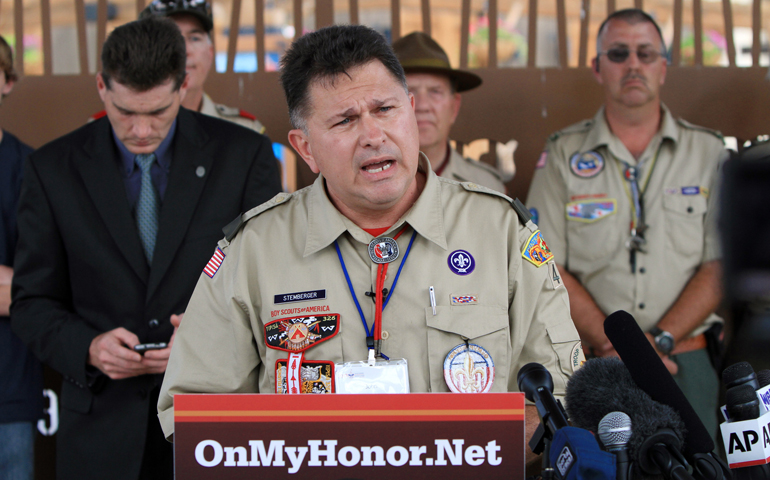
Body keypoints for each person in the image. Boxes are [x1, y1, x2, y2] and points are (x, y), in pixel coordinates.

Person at [158, 24, 583, 467]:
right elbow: (192, 417)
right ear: (306, 148)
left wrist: (440, 455)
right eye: (345, 120)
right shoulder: (255, 249)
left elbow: (563, 398)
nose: (373, 135)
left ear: (411, 111)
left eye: (385, 109)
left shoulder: (501, 232)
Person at [10, 18, 281, 480]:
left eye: (157, 113)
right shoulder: (52, 168)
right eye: (124, 112)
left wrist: (205, 343)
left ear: (183, 85)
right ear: (101, 86)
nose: (139, 130)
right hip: (99, 430)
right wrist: (89, 347)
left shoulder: (243, 155)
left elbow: (273, 288)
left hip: (212, 422)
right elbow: (32, 303)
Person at [526, 9, 726, 437]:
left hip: (685, 358)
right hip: (596, 363)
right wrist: (614, 345)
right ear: (598, 68)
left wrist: (658, 345)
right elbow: (546, 262)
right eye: (618, 54)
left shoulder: (707, 152)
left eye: (646, 53)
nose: (633, 64)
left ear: (663, 67)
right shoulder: (563, 153)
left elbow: (720, 264)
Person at [392, 31, 509, 193]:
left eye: (435, 91)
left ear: (454, 107)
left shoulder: (486, 186)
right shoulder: (366, 186)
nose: (423, 105)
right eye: (409, 92)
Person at [0, 35, 41, 480]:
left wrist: (22, 288)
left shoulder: (33, 170)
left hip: (9, 389)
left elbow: (40, 292)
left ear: (8, 81)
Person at [135, 0, 266, 133]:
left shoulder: (245, 132)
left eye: (195, 38)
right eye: (169, 39)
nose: (185, 50)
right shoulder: (124, 132)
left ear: (210, 53)